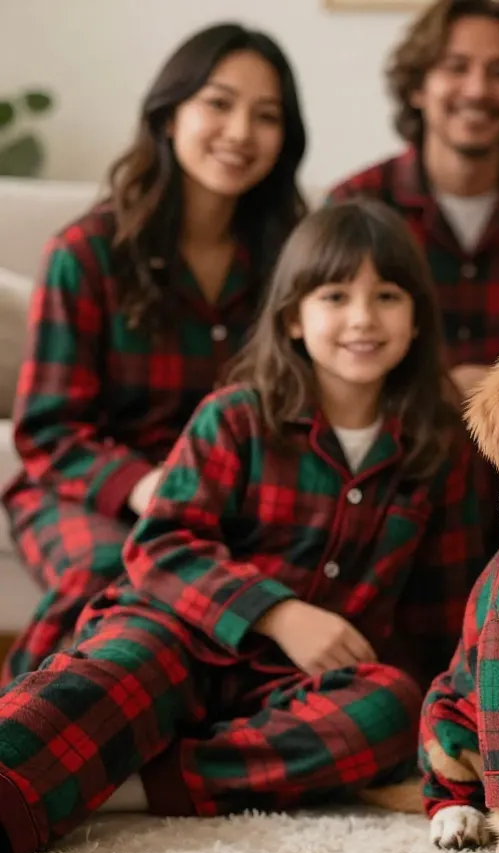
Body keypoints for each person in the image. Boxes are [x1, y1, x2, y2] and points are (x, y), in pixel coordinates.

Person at [0, 198, 493, 853]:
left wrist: (449, 718)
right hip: (181, 632)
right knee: (116, 670)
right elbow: (161, 545)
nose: (361, 319)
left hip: (301, 686)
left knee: (391, 708)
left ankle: (134, 783)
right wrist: (280, 615)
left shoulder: (440, 444)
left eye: (387, 296)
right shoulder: (237, 415)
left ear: (416, 321)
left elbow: (443, 610)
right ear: (293, 318)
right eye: (335, 295)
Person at [1, 22, 309, 683]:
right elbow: (48, 431)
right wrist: (145, 487)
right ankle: (23, 731)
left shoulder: (292, 259)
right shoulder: (87, 253)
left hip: (229, 494)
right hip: (91, 489)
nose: (240, 132)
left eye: (266, 116)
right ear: (170, 115)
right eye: (218, 104)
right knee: (111, 568)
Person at [326, 0, 499, 399]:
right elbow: (330, 357)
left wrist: (495, 393)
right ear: (417, 87)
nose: (477, 90)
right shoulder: (355, 205)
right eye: (456, 67)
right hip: (393, 443)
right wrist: (438, 391)